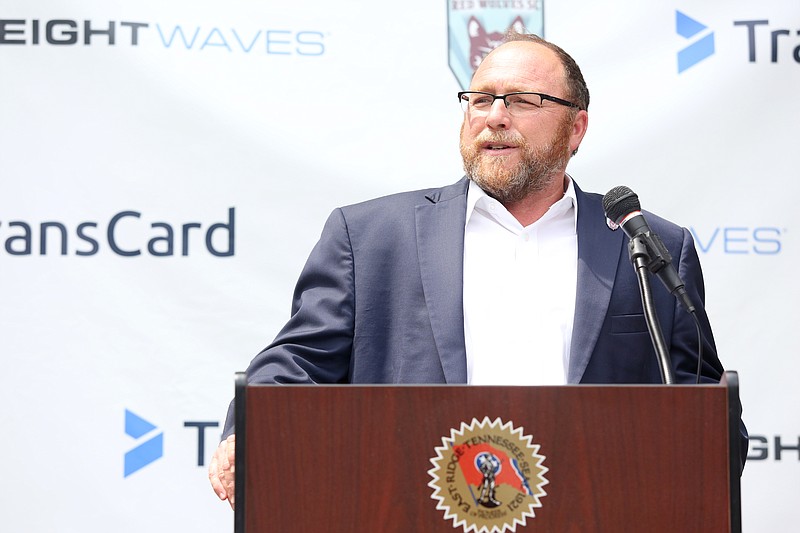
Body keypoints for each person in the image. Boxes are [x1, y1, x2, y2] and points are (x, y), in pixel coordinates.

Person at [209, 33, 744, 507]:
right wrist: (249, 433)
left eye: (523, 101)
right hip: (410, 512)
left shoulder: (643, 243)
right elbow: (298, 361)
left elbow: (700, 398)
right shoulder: (372, 237)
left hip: (594, 515)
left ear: (576, 128)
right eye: (481, 99)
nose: (495, 116)